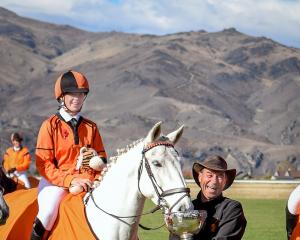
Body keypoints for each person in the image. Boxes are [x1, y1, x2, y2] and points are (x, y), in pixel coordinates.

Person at [31, 70, 107, 240]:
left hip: (87, 180)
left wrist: (95, 178)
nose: (77, 98)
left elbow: (101, 159)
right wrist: (70, 180)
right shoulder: (49, 125)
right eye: (72, 94)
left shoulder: (91, 127)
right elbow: (44, 165)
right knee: (48, 213)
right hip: (55, 182)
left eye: (81, 94)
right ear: (61, 97)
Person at [171, 155, 247, 239]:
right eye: (209, 175)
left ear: (225, 181)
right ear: (200, 177)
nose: (214, 181)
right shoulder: (188, 208)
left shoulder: (231, 208)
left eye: (220, 176)